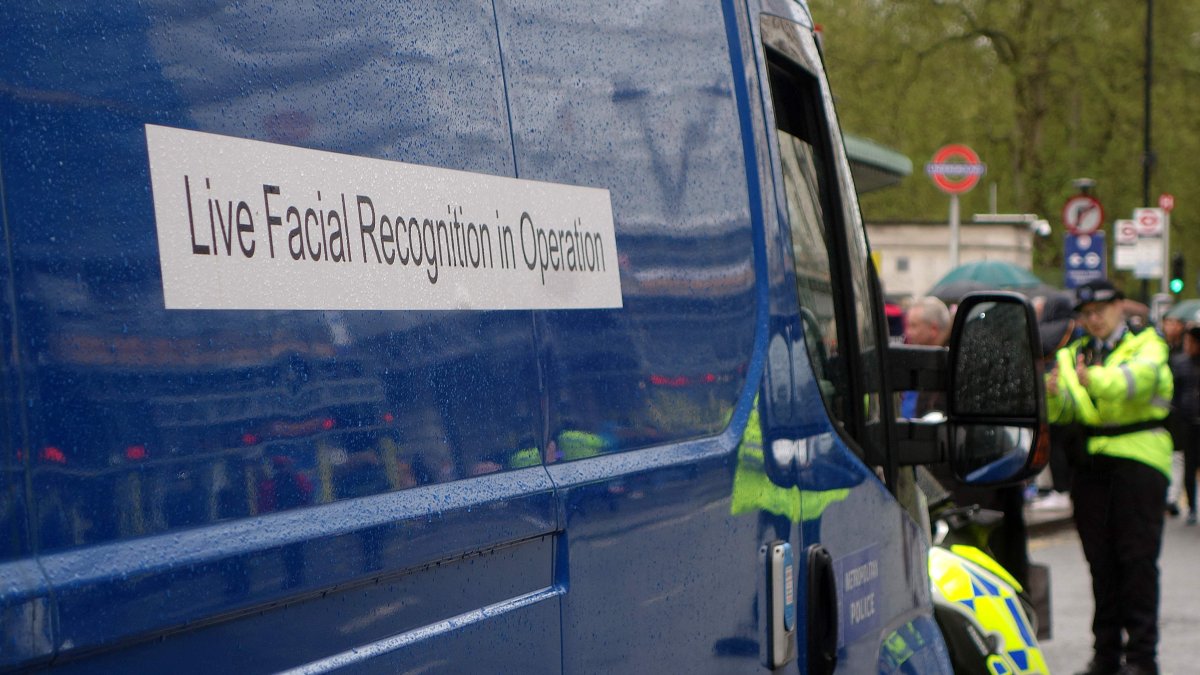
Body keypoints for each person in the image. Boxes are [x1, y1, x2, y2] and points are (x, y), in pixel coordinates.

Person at [1046, 279, 1173, 675]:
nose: (1094, 319)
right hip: (1092, 466)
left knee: (1136, 563)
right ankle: (1105, 656)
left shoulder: (1147, 344)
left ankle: (1141, 659)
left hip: (1139, 461)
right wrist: (1053, 394)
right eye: (1086, 313)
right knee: (1101, 565)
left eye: (1101, 309)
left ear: (1120, 306)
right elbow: (1067, 412)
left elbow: (1133, 385)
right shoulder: (1073, 354)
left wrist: (1092, 380)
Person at [1170, 320, 1200, 525]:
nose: (1188, 345)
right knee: (1189, 466)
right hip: (1188, 423)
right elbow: (1174, 394)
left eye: (1192, 341)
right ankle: (1191, 507)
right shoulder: (1179, 363)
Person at [901, 296, 950, 418]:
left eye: (913, 326)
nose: (908, 332)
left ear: (933, 329)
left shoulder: (949, 364)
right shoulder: (923, 359)